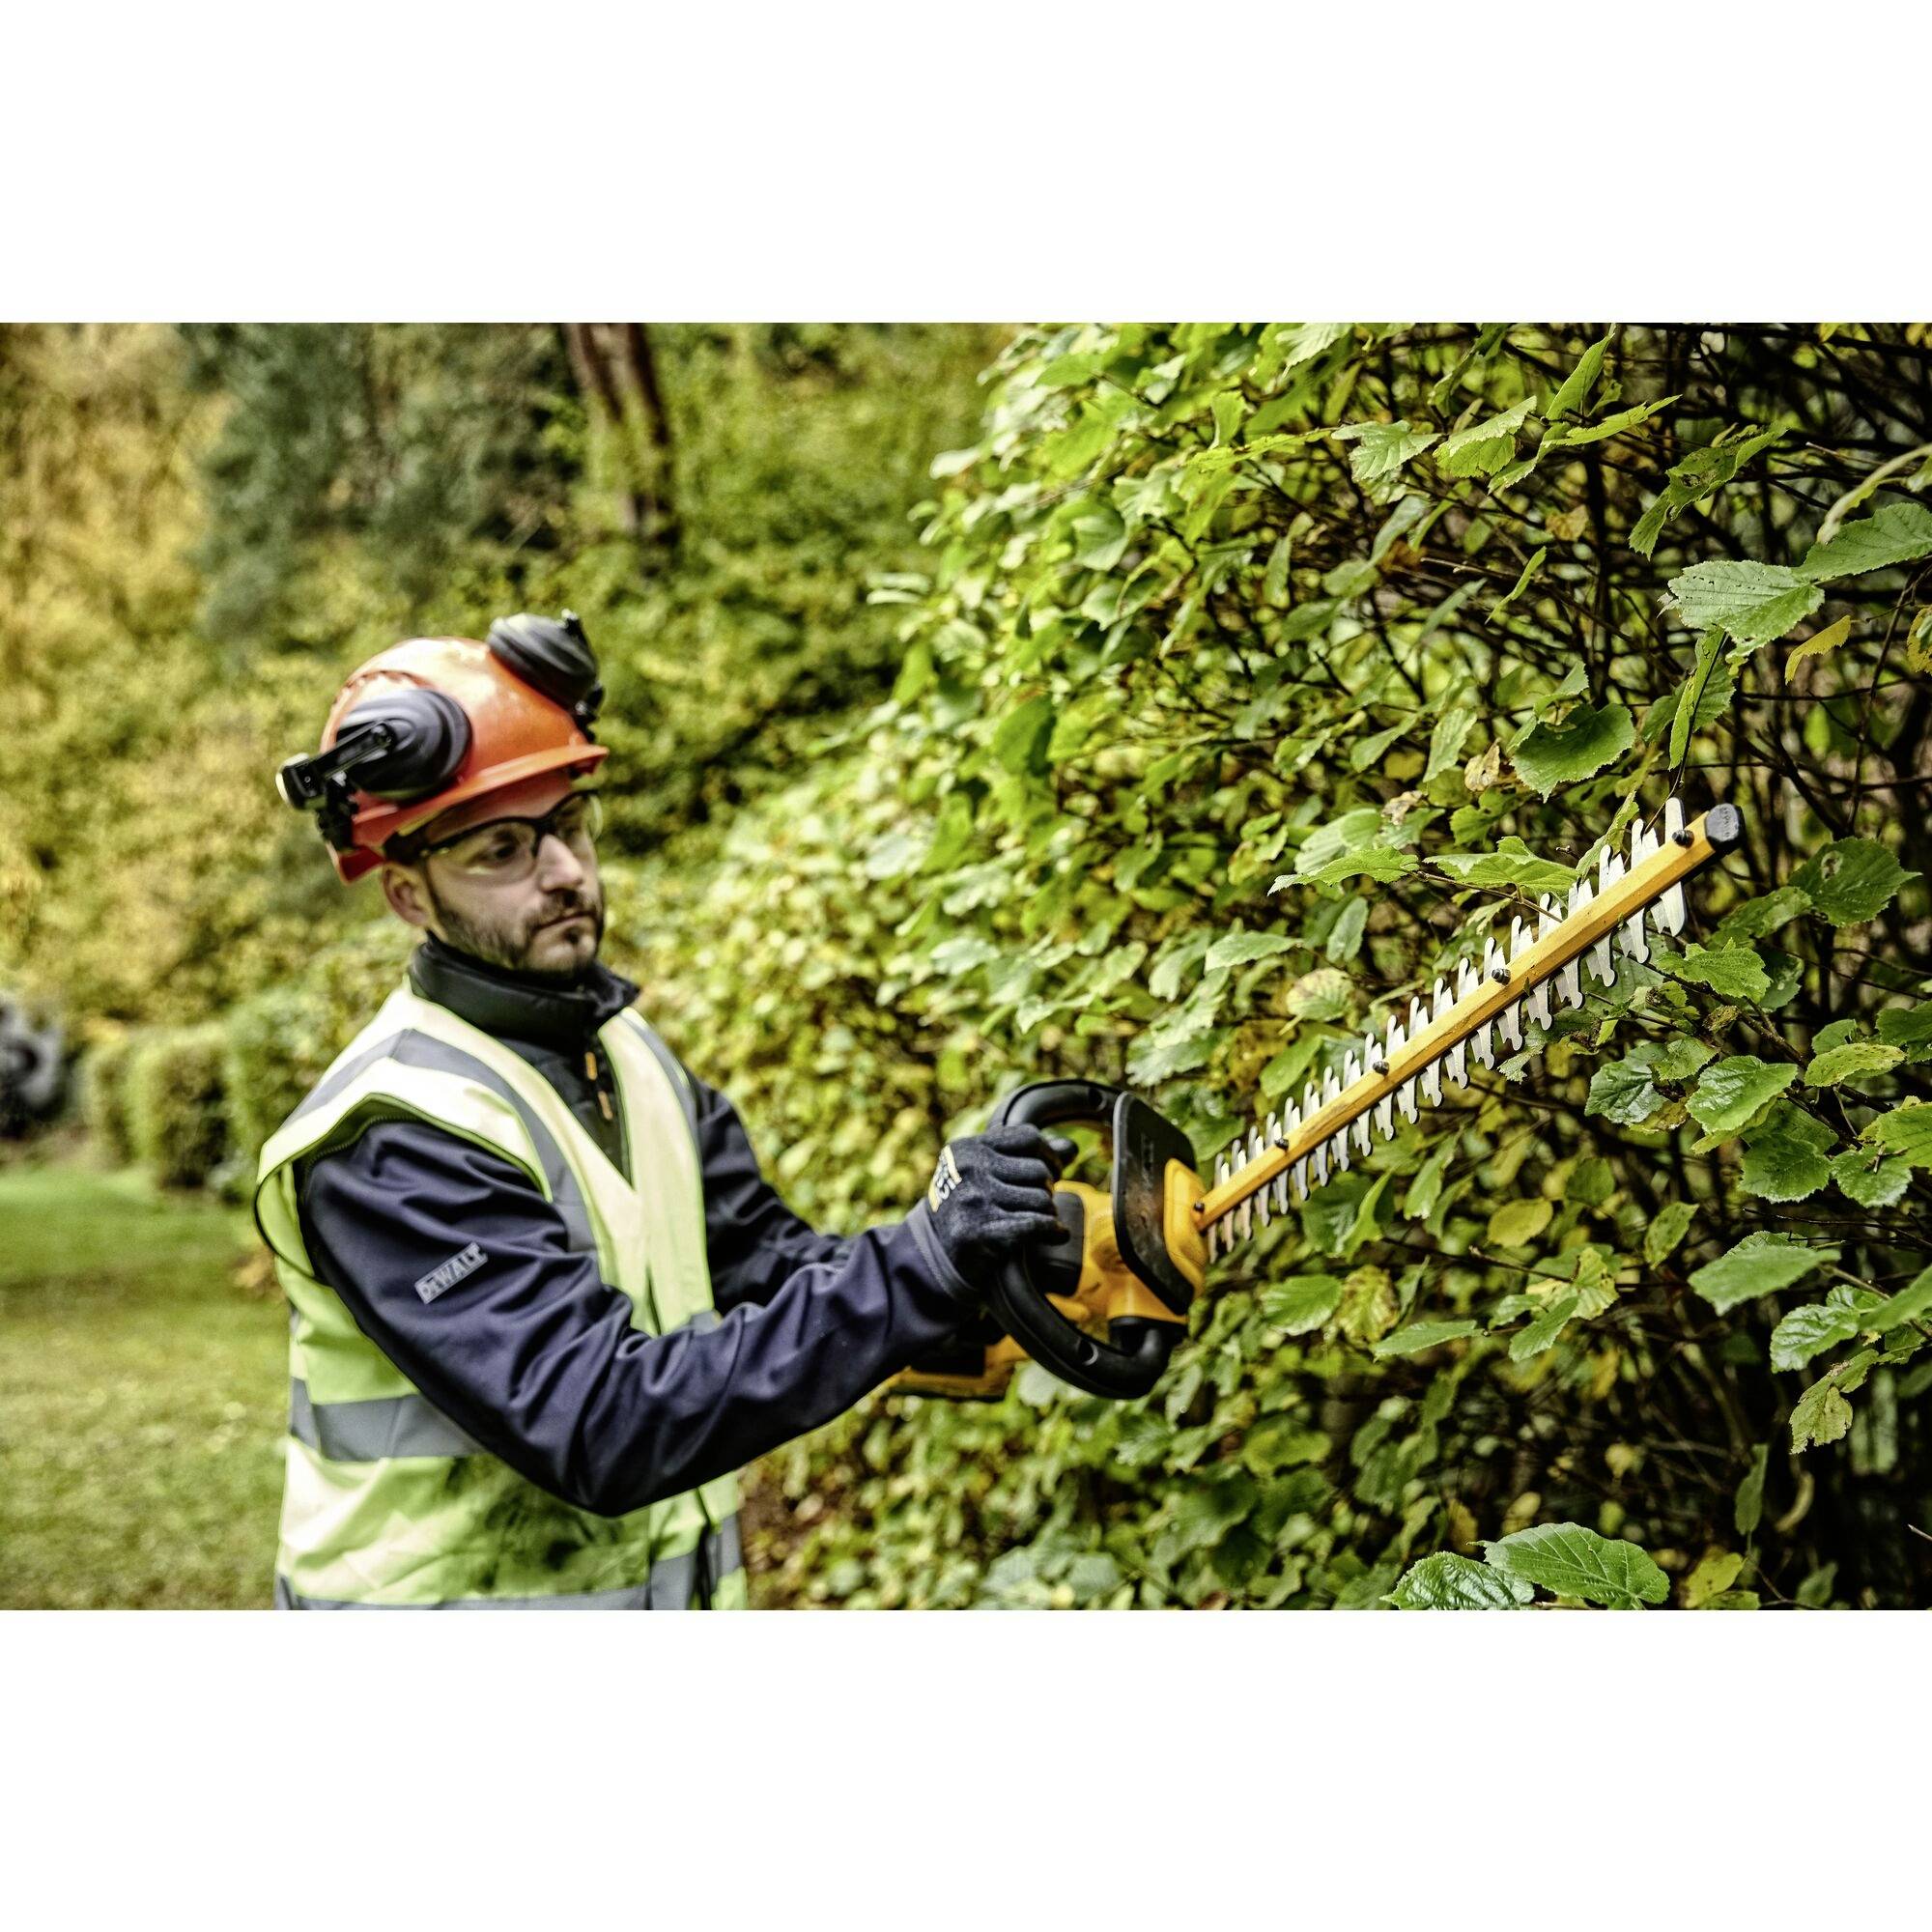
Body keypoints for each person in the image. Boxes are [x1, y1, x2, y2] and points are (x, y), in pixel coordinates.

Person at [256, 612, 1070, 1609]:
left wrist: (990, 1281)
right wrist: (916, 1264)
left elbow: (763, 1268)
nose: (562, 872)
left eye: (566, 823)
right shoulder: (391, 1135)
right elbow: (597, 1420)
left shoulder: (627, 1054)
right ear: (406, 896)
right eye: (500, 849)